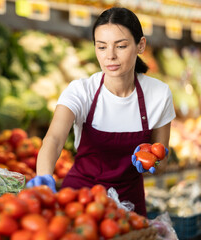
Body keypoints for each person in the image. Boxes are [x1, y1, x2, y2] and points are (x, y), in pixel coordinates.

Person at [26, 7, 176, 216]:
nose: (110, 56)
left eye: (121, 46)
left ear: (140, 45)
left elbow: (162, 162)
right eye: (102, 47)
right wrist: (44, 176)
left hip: (129, 203)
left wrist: (153, 162)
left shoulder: (159, 94)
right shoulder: (81, 90)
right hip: (80, 197)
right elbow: (54, 139)